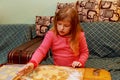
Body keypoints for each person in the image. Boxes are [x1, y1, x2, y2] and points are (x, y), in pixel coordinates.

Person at [17, 6, 89, 76]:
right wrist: (32, 63)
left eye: (66, 26)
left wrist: (80, 62)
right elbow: (41, 51)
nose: (61, 28)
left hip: (75, 70)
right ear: (56, 22)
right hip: (58, 70)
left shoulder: (79, 35)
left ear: (73, 26)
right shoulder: (51, 34)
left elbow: (84, 52)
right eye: (59, 24)